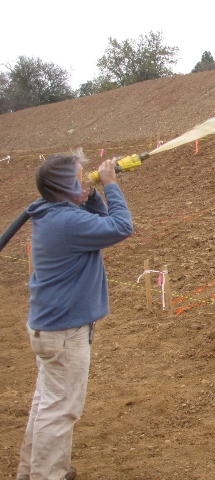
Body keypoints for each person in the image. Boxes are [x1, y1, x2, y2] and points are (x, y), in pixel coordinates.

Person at [16, 150, 133, 480]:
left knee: (46, 405)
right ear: (63, 186)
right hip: (64, 335)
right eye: (79, 177)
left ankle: (33, 472)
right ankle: (47, 475)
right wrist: (110, 185)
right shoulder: (67, 222)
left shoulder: (55, 214)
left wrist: (92, 194)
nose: (85, 178)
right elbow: (120, 226)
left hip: (51, 329)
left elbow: (95, 223)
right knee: (59, 409)